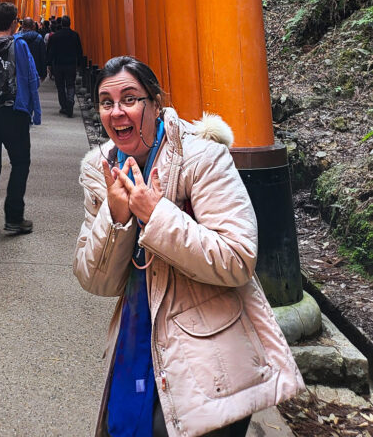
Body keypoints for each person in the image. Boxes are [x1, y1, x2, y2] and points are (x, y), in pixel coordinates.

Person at [74, 56, 303, 437]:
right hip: (138, 337)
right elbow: (96, 280)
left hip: (209, 351)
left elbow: (237, 258)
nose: (116, 112)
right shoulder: (101, 171)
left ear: (156, 102)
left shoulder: (202, 158)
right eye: (106, 102)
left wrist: (156, 214)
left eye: (130, 99)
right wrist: (117, 217)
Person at [0, 1, 41, 244]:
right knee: (21, 162)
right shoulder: (19, 44)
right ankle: (14, 216)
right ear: (14, 22)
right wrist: (34, 110)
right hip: (14, 111)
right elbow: (30, 77)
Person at [47, 13, 83, 117]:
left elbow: (51, 51)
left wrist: (49, 63)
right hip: (71, 64)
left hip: (58, 64)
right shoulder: (75, 35)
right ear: (70, 23)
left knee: (61, 86)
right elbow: (79, 50)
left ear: (61, 24)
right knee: (70, 84)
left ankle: (64, 106)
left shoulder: (55, 36)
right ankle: (70, 100)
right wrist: (79, 63)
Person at [19, 16, 47, 81]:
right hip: (36, 69)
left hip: (21, 70)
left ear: (22, 26)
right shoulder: (39, 38)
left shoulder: (18, 38)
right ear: (33, 26)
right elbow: (43, 56)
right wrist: (43, 73)